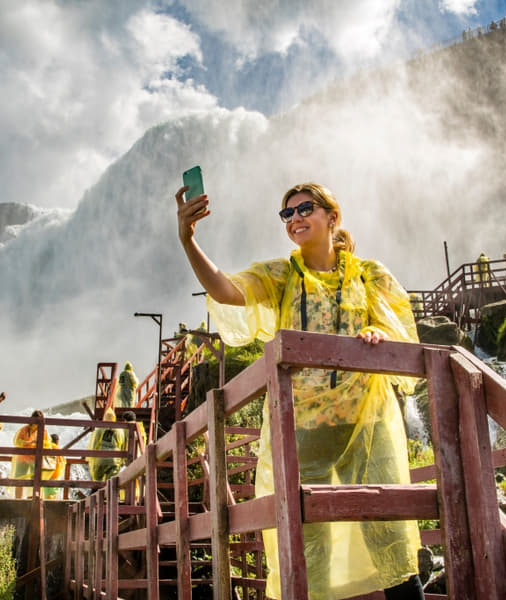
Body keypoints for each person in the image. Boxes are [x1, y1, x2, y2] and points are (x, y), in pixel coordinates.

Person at [174, 182, 424, 600]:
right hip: (304, 430)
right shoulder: (282, 275)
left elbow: (402, 332)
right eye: (286, 214)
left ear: (332, 216)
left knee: (390, 537)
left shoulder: (370, 275)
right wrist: (188, 239)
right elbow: (225, 290)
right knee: (309, 549)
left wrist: (377, 332)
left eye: (304, 208)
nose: (295, 219)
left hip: (367, 425)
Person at [11, 410, 46, 499]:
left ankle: (33, 497)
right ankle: (18, 499)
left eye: (39, 421)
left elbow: (47, 443)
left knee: (35, 479)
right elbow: (17, 442)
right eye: (36, 421)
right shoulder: (25, 429)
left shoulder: (43, 430)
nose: (37, 423)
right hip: (22, 458)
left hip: (35, 458)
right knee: (20, 478)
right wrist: (30, 442)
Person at [88, 407, 125, 481]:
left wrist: (90, 456)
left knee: (97, 480)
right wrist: (122, 459)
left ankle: (96, 490)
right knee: (110, 483)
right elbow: (122, 444)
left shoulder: (100, 429)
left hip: (100, 459)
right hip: (114, 459)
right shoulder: (119, 430)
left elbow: (94, 443)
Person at [44, 433, 66, 500]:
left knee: (46, 493)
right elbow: (62, 462)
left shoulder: (46, 447)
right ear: (57, 441)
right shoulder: (57, 448)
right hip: (55, 474)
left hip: (46, 474)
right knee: (53, 493)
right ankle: (50, 507)